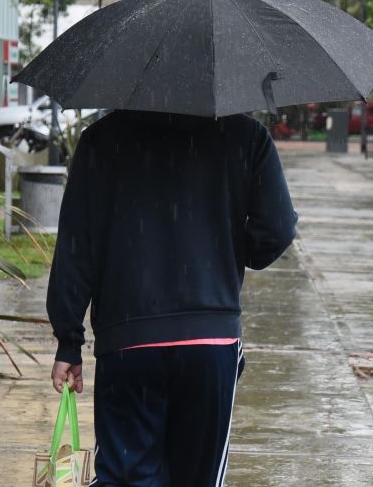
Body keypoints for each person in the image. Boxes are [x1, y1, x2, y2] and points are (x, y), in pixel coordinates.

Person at [46, 109, 297, 486]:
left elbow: (76, 248)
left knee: (126, 477)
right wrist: (225, 251)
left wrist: (69, 340)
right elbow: (275, 231)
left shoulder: (101, 139)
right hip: (209, 341)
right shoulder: (246, 135)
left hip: (128, 341)